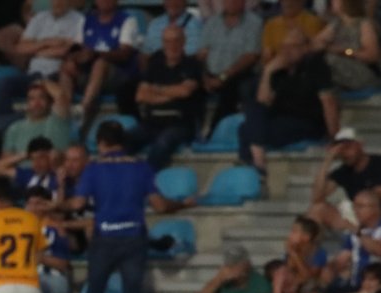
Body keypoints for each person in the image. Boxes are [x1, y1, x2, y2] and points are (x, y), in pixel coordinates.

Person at [68, 122, 175, 293]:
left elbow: (76, 205)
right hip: (133, 238)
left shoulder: (94, 168)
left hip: (104, 239)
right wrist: (183, 204)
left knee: (94, 292)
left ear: (101, 143)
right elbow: (159, 205)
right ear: (123, 142)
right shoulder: (140, 166)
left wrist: (54, 206)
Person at [239, 29, 339, 175]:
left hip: (307, 121)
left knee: (247, 131)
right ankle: (257, 164)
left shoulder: (315, 65)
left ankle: (254, 167)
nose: (287, 51)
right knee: (247, 121)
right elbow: (263, 101)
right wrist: (268, 71)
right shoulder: (279, 70)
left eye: (292, 47)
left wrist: (334, 137)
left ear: (305, 48)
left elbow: (328, 101)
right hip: (281, 119)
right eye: (284, 47)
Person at [132, 24, 203, 170]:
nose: (172, 45)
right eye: (168, 41)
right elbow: (140, 96)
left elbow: (185, 92)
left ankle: (147, 182)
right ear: (163, 43)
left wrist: (156, 89)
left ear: (184, 42)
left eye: (176, 40)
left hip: (180, 124)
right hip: (151, 122)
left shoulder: (192, 64)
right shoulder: (154, 64)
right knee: (123, 140)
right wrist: (171, 94)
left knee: (162, 142)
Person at [59, 0, 139, 129]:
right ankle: (64, 112)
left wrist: (95, 54)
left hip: (118, 75)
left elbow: (125, 54)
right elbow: (76, 49)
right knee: (67, 66)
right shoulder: (86, 20)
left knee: (101, 63)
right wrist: (78, 57)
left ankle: (83, 109)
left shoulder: (127, 20)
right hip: (89, 73)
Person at [308, 128, 381, 231]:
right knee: (317, 209)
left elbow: (380, 198)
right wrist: (328, 160)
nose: (345, 153)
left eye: (348, 147)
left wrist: (354, 207)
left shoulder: (379, 162)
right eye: (341, 149)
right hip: (356, 219)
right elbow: (316, 197)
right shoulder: (343, 171)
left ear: (360, 145)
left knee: (364, 207)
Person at [197, 0, 261, 132]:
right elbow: (202, 54)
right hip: (209, 74)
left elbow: (251, 56)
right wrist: (204, 78)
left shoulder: (254, 23)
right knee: (189, 85)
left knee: (231, 90)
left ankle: (215, 133)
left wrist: (223, 77)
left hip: (237, 74)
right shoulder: (212, 22)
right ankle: (191, 132)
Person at [330, 190, 381, 288]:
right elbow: (342, 259)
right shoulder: (356, 231)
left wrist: (353, 229)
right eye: (354, 206)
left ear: (376, 208)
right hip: (356, 284)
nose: (355, 210)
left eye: (360, 206)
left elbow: (380, 250)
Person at [311, 0, 381, 92]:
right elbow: (314, 44)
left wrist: (345, 51)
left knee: (329, 60)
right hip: (338, 70)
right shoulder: (336, 24)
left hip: (360, 71)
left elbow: (372, 55)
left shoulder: (364, 24)